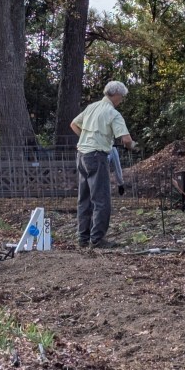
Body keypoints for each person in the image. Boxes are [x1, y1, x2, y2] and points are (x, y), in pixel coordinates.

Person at [70, 80, 137, 248]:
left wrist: (87, 139)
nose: (121, 100)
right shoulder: (112, 113)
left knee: (84, 199)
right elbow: (126, 139)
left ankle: (83, 238)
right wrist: (132, 146)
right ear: (116, 95)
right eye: (122, 97)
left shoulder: (92, 107)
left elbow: (74, 124)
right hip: (96, 156)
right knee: (101, 199)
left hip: (81, 155)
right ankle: (97, 239)